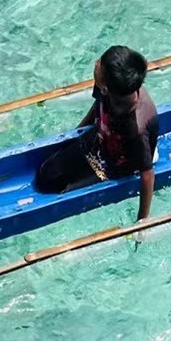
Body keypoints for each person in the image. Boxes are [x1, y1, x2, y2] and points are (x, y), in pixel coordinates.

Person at [32, 45, 160, 221]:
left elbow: (147, 175)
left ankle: (148, 154)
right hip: (98, 143)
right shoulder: (108, 86)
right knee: (45, 174)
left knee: (64, 193)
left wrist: (142, 221)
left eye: (100, 65)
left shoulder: (136, 128)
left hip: (116, 165)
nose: (96, 63)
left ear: (106, 88)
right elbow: (98, 107)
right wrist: (76, 133)